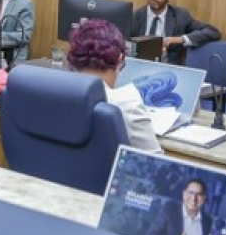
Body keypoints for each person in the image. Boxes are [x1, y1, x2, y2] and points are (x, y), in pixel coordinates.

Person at [66, 19, 161, 153]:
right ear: (120, 59)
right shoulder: (129, 105)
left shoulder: (53, 94)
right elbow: (155, 164)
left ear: (71, 57)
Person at [130, 0, 220, 65]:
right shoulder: (135, 16)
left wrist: (179, 39)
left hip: (168, 69)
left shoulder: (180, 16)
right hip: (138, 66)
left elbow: (212, 32)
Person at [146, 178, 213, 235]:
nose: (194, 198)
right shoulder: (169, 210)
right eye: (190, 193)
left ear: (203, 199)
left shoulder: (207, 221)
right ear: (184, 194)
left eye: (198, 194)